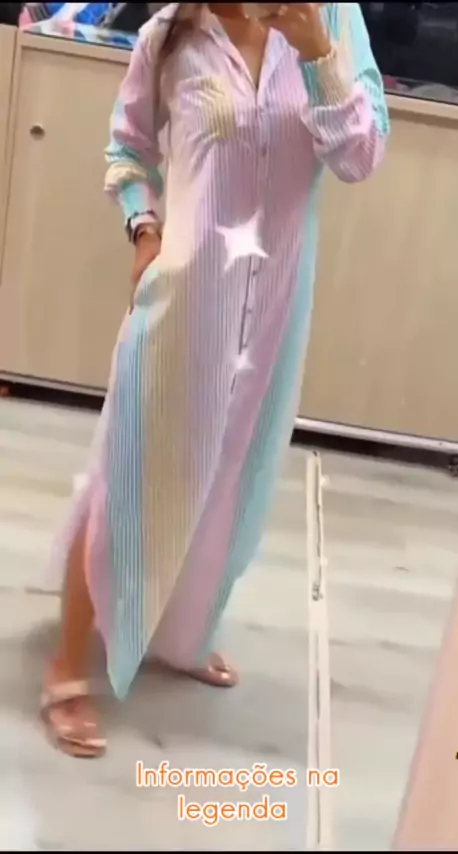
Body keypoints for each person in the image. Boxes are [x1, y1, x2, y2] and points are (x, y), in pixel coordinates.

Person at [41, 1, 389, 758]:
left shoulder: (334, 21)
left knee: (231, 485)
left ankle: (180, 634)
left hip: (273, 320)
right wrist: (144, 232)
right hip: (184, 310)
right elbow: (129, 148)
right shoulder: (172, 35)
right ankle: (65, 666)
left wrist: (318, 54)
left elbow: (361, 158)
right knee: (125, 481)